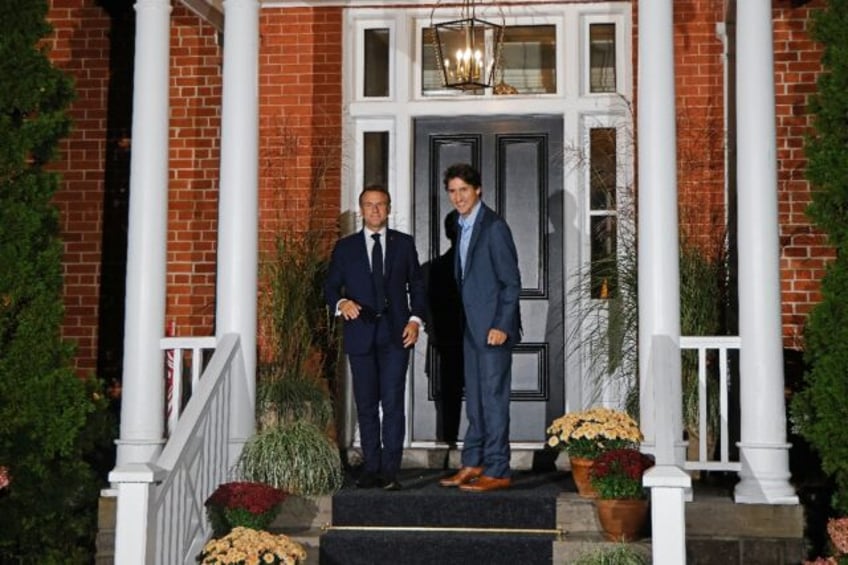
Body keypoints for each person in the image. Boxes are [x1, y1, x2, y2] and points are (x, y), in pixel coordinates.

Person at [325, 184, 426, 491]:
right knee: (366, 404)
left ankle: (390, 471)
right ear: (361, 210)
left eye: (381, 205)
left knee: (393, 403)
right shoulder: (345, 248)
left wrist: (415, 320)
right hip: (360, 334)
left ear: (389, 208)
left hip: (396, 335)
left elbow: (418, 287)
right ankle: (371, 467)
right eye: (369, 205)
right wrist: (342, 304)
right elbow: (329, 288)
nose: (375, 210)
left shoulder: (404, 244)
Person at [438, 163, 521, 493]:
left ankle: (498, 468)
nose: (458, 197)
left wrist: (502, 324)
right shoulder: (461, 227)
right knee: (474, 400)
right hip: (471, 330)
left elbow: (511, 283)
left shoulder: (494, 227)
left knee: (493, 399)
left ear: (478, 190)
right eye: (453, 191)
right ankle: (473, 461)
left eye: (463, 190)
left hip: (493, 331)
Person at [426, 210, 464, 447]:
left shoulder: (435, 267)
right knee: (451, 394)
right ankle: (450, 441)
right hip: (451, 340)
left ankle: (450, 440)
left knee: (451, 395)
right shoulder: (436, 268)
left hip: (450, 339)